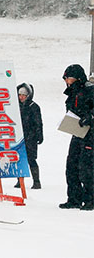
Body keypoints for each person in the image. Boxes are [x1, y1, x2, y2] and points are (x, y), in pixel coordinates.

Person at [59, 64, 94, 211]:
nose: (68, 82)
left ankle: (90, 199)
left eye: (70, 79)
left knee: (87, 168)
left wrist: (90, 117)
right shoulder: (72, 92)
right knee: (71, 166)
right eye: (66, 79)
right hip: (77, 132)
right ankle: (74, 199)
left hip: (90, 135)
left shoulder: (90, 89)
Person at [13, 83, 43, 189]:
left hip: (31, 137)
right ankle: (19, 180)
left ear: (28, 95)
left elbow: (38, 122)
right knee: (19, 158)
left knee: (31, 159)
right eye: (19, 94)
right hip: (19, 136)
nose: (21, 97)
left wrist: (39, 135)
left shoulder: (34, 107)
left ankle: (36, 181)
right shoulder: (16, 106)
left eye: (23, 95)